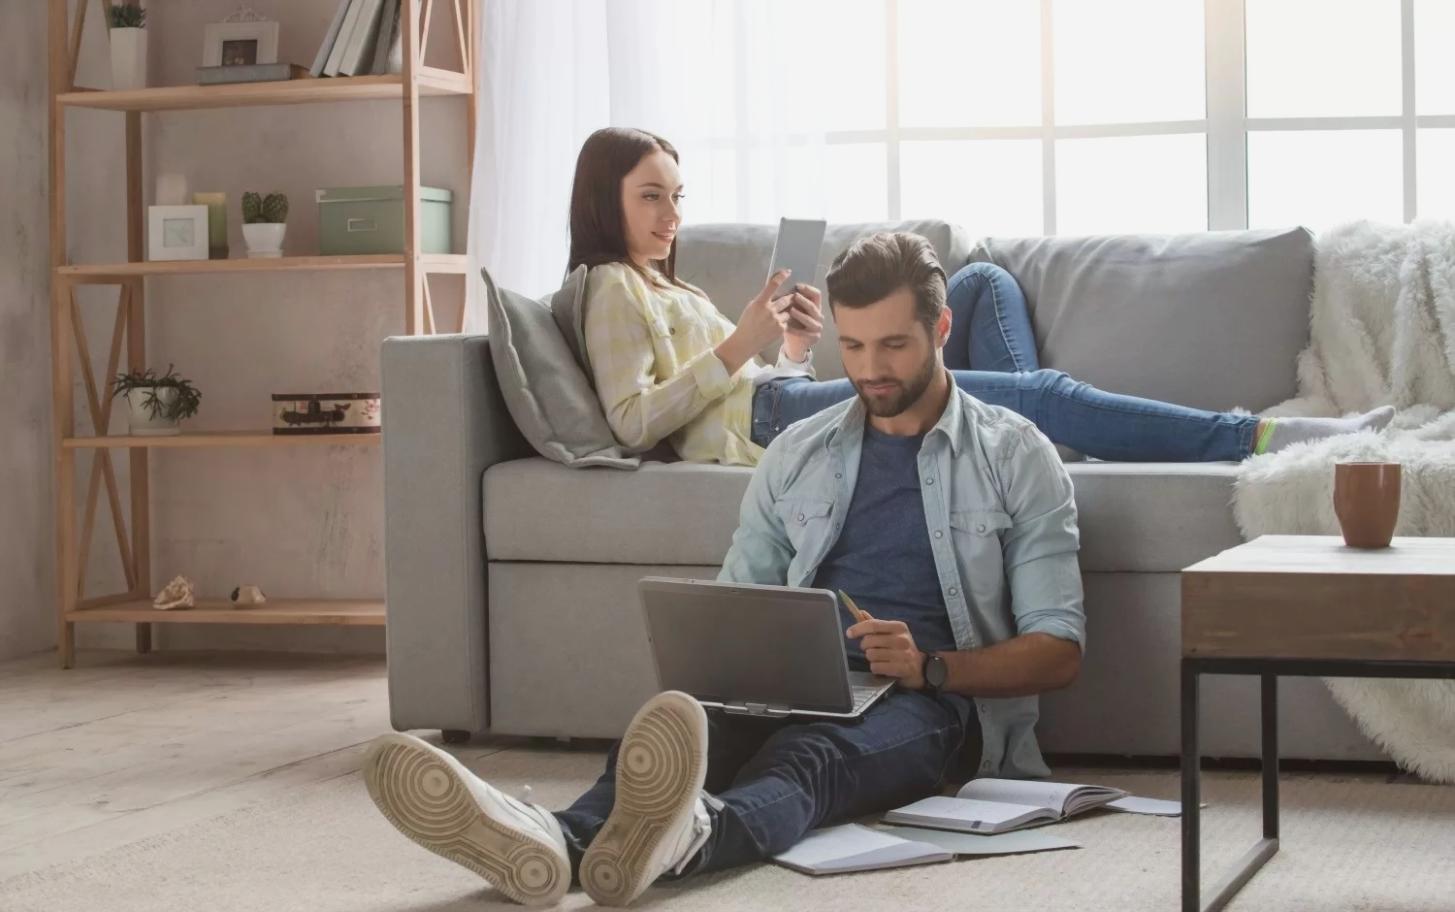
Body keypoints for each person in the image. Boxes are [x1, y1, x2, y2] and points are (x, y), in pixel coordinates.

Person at [364, 231, 1088, 906]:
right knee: (679, 729)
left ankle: (689, 840)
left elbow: (1058, 650)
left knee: (808, 758)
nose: (869, 369)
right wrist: (717, 659)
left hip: (933, 704)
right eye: (855, 345)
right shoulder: (799, 452)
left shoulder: (1016, 456)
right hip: (794, 683)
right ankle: (552, 839)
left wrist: (929, 666)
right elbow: (740, 597)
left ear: (939, 331)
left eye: (893, 345)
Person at [570, 126, 1393, 468]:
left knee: (983, 282)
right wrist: (740, 346)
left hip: (779, 399)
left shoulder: (662, 281)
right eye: (651, 197)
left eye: (677, 195)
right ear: (607, 199)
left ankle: (1032, 442)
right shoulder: (608, 288)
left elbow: (755, 375)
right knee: (1039, 392)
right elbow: (632, 422)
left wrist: (787, 343)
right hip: (769, 431)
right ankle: (1261, 438)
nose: (672, 216)